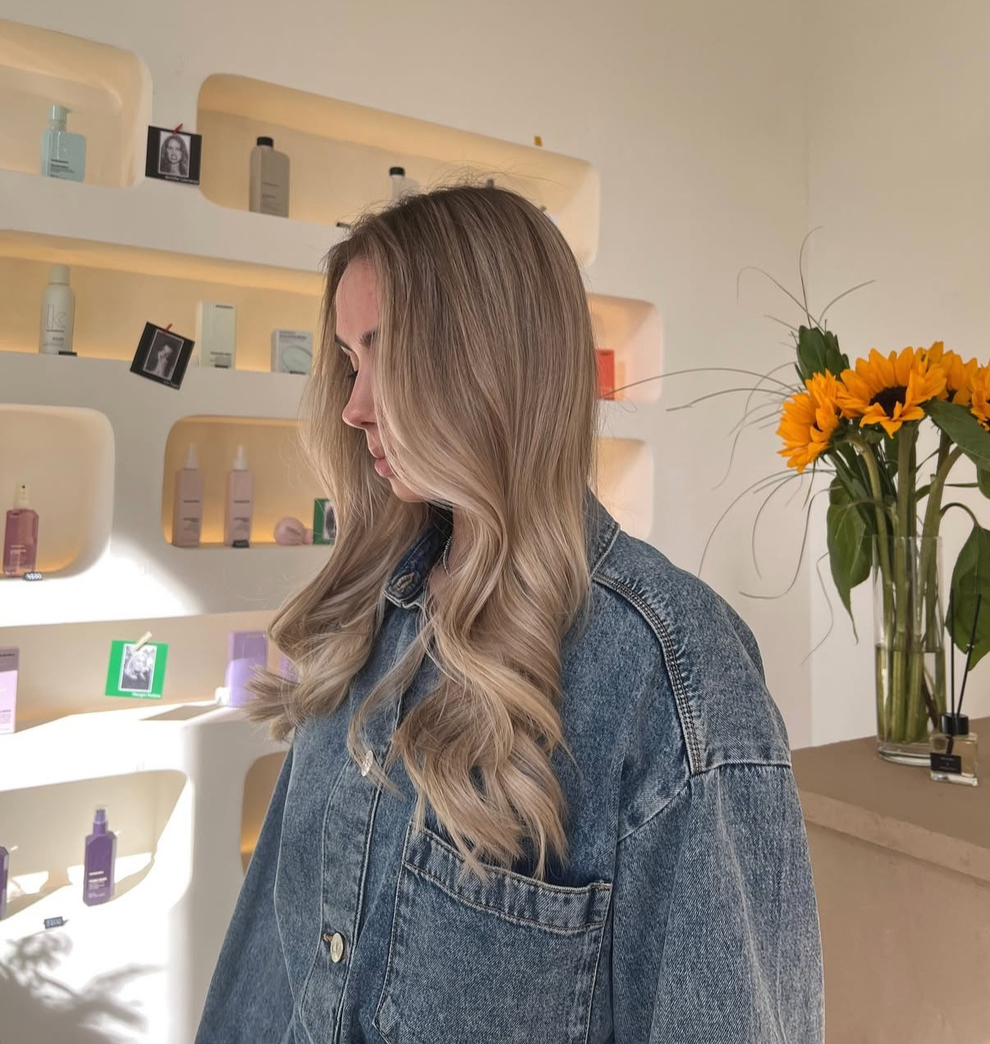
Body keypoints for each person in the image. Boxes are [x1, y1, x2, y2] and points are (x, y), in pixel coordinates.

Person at [195, 184, 824, 1043]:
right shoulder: (367, 617)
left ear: (494, 362)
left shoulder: (672, 672)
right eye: (348, 362)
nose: (353, 406)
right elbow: (274, 972)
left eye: (386, 357)